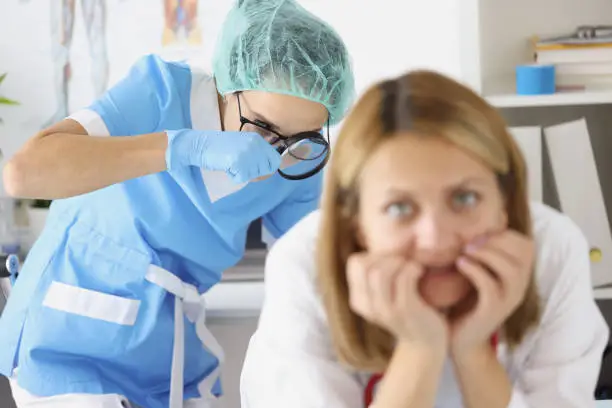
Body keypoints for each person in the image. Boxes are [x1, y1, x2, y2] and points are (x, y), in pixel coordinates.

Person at [0, 0, 354, 406]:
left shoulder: (302, 161)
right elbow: (24, 173)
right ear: (227, 84)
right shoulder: (159, 92)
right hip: (65, 342)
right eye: (262, 127)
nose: (275, 153)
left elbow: (311, 275)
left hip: (167, 355)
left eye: (299, 135)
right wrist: (181, 147)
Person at [240, 70, 609, 407]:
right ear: (357, 221)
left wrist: (474, 353)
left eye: (464, 198)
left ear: (505, 203)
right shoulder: (306, 265)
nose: (435, 239)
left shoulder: (553, 253)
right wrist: (420, 348)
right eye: (400, 208)